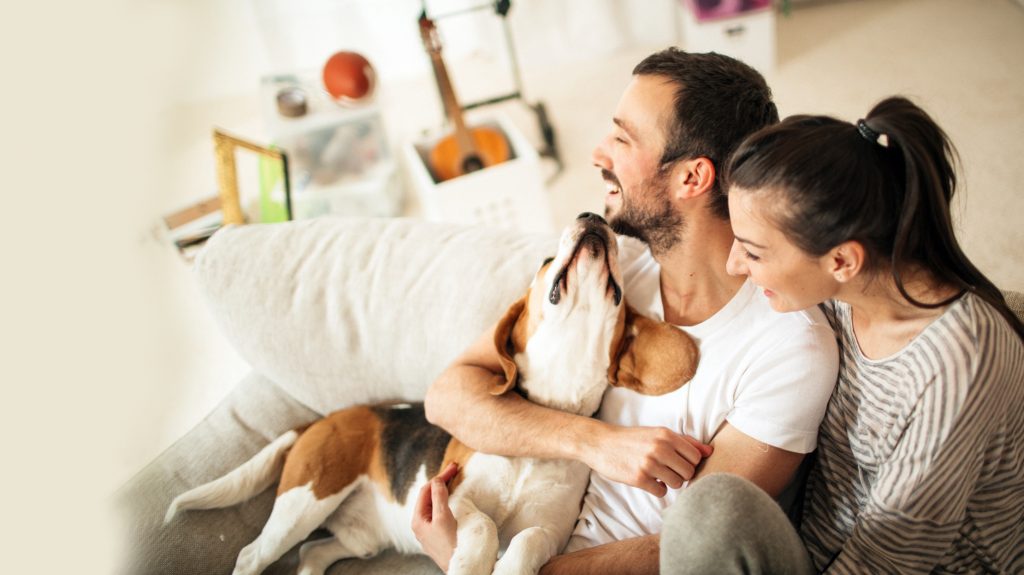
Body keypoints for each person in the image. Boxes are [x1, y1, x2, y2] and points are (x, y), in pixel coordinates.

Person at [413, 48, 840, 574]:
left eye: (622, 137)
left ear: (691, 178)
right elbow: (447, 394)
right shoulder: (615, 268)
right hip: (518, 538)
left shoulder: (790, 348)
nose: (596, 152)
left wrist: (474, 565)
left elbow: (689, 549)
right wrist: (595, 442)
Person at [658, 96, 1024, 573]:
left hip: (899, 566)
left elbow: (890, 560)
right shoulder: (836, 293)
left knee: (708, 514)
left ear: (843, 261)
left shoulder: (958, 362)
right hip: (815, 533)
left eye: (752, 252)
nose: (735, 266)